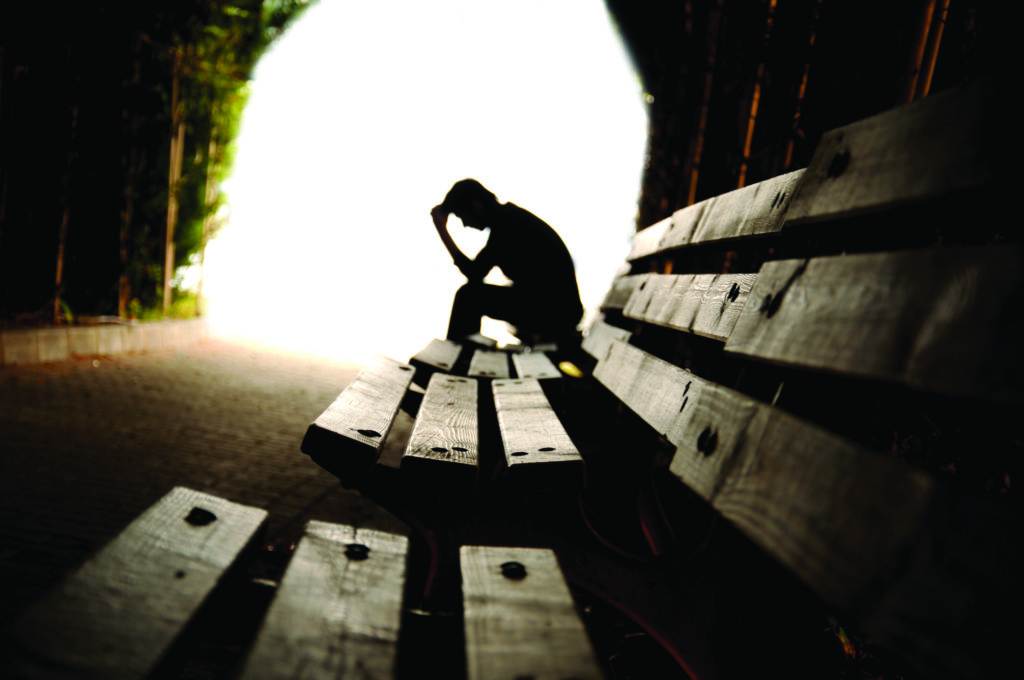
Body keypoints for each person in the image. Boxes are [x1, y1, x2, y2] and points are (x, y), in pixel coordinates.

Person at [430, 179, 583, 346]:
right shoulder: (508, 220)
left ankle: (452, 358)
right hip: (557, 308)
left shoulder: (507, 225)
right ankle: (461, 354)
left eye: (461, 216)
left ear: (476, 206)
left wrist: (442, 230)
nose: (465, 224)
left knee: (468, 297)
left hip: (557, 314)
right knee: (471, 296)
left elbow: (474, 274)